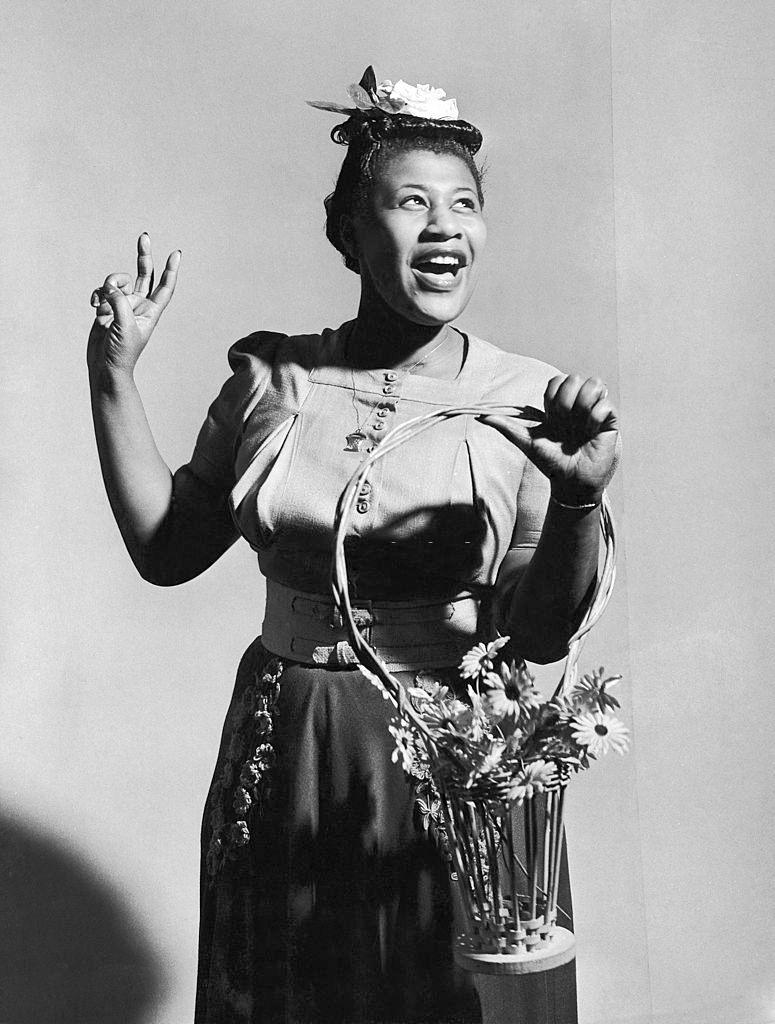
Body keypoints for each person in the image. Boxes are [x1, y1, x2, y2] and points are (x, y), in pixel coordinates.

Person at [87, 68, 619, 1024]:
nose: (445, 227)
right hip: (289, 737)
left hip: (455, 755)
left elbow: (537, 641)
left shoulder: (531, 401)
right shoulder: (273, 379)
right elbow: (167, 550)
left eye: (464, 204)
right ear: (346, 231)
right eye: (411, 202)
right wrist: (113, 373)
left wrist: (579, 501)